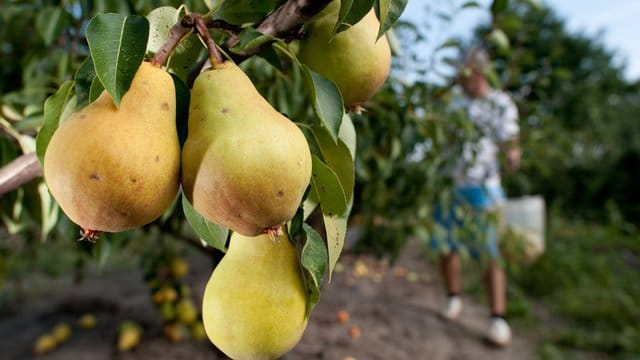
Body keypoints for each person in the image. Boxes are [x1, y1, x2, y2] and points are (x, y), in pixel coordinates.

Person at [434, 47, 521, 347]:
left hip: (484, 187)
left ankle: (497, 317)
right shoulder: (453, 103)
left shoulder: (499, 103)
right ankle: (453, 298)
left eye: (463, 73)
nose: (458, 78)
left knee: (490, 251)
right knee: (447, 245)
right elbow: (439, 136)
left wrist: (512, 151)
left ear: (478, 72)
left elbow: (509, 137)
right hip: (450, 185)